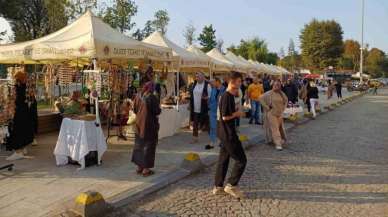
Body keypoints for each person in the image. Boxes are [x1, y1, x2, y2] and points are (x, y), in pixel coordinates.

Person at [213, 71, 247, 199]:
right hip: (228, 134)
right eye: (239, 81)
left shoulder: (228, 96)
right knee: (241, 160)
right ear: (232, 82)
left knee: (223, 160)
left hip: (223, 132)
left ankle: (218, 186)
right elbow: (225, 116)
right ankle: (231, 185)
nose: (240, 84)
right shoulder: (227, 96)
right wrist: (237, 114)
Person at [131, 81, 161, 177]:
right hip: (149, 125)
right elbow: (157, 111)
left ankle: (139, 167)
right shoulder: (151, 97)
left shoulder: (138, 95)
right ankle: (146, 169)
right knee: (148, 146)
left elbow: (134, 109)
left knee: (139, 145)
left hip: (139, 124)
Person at [6, 71, 35, 161]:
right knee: (23, 131)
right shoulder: (27, 88)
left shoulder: (16, 88)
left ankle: (18, 152)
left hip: (18, 113)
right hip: (26, 113)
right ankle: (21, 150)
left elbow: (13, 100)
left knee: (16, 131)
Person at [260, 80, 288, 151]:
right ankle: (278, 144)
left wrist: (283, 109)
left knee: (280, 128)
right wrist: (267, 107)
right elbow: (260, 98)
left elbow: (286, 100)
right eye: (275, 85)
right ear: (273, 85)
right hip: (272, 114)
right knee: (275, 128)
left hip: (279, 113)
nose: (276, 87)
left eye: (278, 85)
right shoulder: (269, 93)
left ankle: (276, 139)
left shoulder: (282, 94)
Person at [189, 72, 211, 144]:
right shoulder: (194, 84)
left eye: (198, 76)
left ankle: (212, 136)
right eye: (196, 76)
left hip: (203, 107)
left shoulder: (207, 85)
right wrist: (190, 104)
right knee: (195, 123)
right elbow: (192, 95)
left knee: (206, 123)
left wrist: (206, 98)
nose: (197, 78)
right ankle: (195, 138)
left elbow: (210, 96)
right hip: (195, 107)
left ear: (203, 77)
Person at [207, 78, 225, 150]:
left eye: (213, 83)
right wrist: (209, 107)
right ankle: (212, 141)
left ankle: (221, 141)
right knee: (212, 126)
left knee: (221, 127)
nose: (211, 84)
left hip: (220, 111)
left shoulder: (224, 90)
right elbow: (211, 99)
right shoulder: (213, 89)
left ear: (218, 82)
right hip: (212, 110)